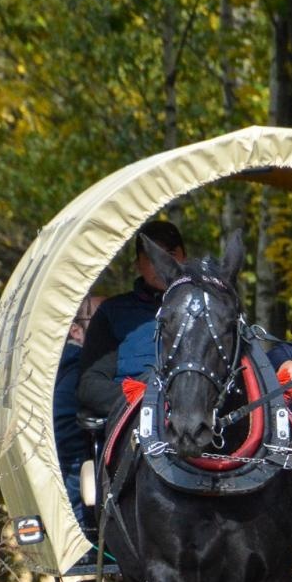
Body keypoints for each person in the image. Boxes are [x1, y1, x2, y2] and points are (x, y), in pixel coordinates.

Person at [77, 219, 186, 420]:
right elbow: (90, 384)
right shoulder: (114, 313)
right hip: (135, 421)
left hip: (195, 416)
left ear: (184, 259)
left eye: (170, 255)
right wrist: (143, 397)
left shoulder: (206, 308)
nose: (163, 265)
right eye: (152, 258)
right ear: (137, 266)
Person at [54, 295, 104, 530]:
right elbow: (69, 448)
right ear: (75, 330)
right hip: (83, 507)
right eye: (100, 320)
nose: (109, 327)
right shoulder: (76, 372)